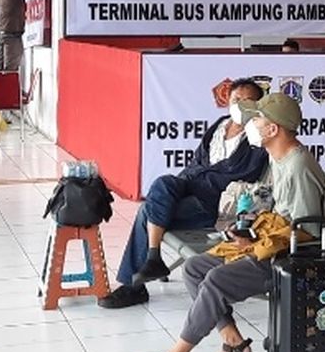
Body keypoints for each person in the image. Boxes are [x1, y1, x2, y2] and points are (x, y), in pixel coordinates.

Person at [119, 92, 325, 352]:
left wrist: (256, 245)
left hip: (296, 259)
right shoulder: (279, 158)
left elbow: (309, 231)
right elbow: (277, 212)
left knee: (216, 281)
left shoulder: (298, 166)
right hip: (275, 245)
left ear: (273, 129)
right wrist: (248, 231)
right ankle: (233, 343)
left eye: (257, 119)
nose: (251, 125)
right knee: (195, 268)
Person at [99, 78, 270, 309]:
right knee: (163, 184)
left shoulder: (257, 137)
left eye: (247, 100)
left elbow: (239, 173)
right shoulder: (221, 124)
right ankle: (151, 261)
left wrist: (200, 175)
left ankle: (137, 280)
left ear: (258, 105)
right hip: (192, 185)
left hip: (215, 203)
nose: (239, 105)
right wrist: (190, 179)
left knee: (146, 211)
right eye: (235, 99)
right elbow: (197, 160)